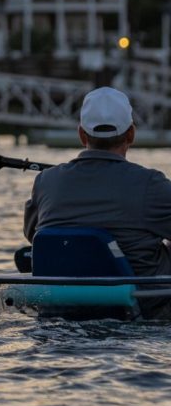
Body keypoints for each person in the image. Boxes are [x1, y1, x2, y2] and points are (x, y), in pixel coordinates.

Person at [24, 85, 171, 277]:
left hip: (62, 303)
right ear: (131, 134)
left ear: (82, 135)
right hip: (144, 303)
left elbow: (32, 235)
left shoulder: (46, 181)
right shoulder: (152, 184)